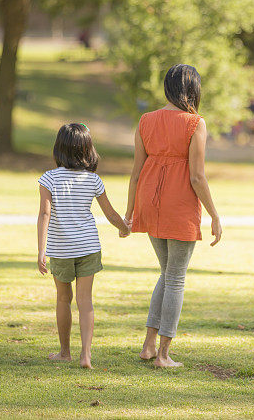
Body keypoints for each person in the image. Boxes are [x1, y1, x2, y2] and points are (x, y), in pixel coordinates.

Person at [124, 64, 222, 369]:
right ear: (193, 89)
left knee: (167, 273)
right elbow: (197, 177)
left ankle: (149, 346)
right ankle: (163, 355)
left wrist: (129, 213)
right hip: (179, 205)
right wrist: (215, 215)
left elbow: (136, 173)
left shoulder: (145, 120)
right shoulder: (195, 123)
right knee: (176, 277)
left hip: (150, 202)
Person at [36, 123, 129, 369]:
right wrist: (125, 227)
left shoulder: (49, 179)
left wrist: (41, 250)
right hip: (88, 247)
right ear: (88, 150)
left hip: (61, 249)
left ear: (59, 149)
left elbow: (45, 214)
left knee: (63, 299)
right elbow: (110, 214)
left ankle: (65, 352)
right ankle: (86, 355)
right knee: (85, 301)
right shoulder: (93, 180)